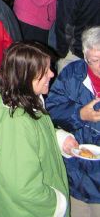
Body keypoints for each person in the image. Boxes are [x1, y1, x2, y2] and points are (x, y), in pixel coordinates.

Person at [0, 42, 76, 217]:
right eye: (44, 72)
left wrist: (58, 137)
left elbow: (35, 135)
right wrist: (57, 202)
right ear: (26, 77)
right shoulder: (15, 123)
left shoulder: (26, 99)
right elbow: (23, 188)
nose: (52, 74)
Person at [47, 27, 100, 216]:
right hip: (75, 174)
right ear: (85, 57)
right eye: (95, 60)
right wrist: (79, 114)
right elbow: (51, 111)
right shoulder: (72, 74)